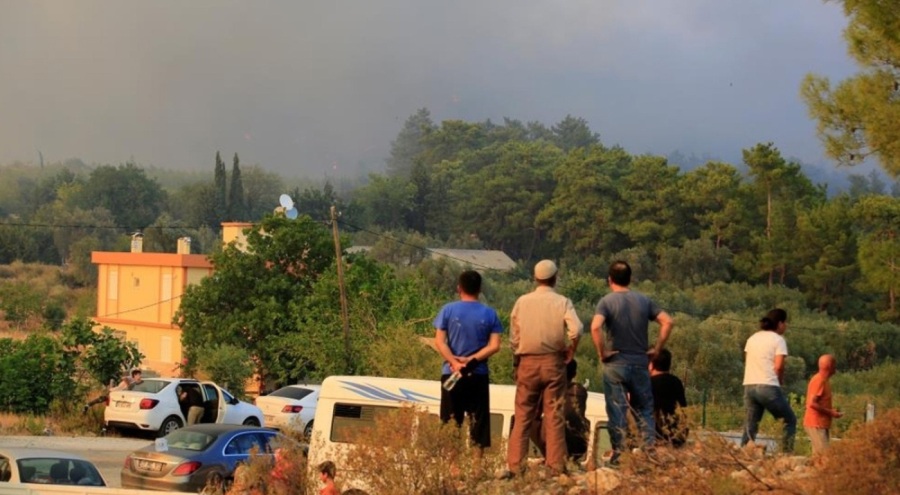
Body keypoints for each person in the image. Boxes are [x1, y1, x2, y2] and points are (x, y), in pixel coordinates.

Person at [591, 260, 673, 465]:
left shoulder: (606, 302)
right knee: (644, 408)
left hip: (615, 364)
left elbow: (595, 327)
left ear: (609, 280)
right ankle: (648, 452)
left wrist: (602, 352)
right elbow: (668, 321)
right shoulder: (644, 300)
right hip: (639, 363)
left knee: (617, 409)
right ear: (630, 279)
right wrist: (657, 348)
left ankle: (619, 454)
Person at [506, 260, 583, 476]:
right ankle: (555, 465)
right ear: (555, 278)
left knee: (523, 415)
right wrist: (571, 350)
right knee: (554, 414)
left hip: (527, 363)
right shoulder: (562, 302)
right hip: (553, 363)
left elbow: (514, 338)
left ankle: (515, 466)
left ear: (535, 277)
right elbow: (576, 330)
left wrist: (518, 357)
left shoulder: (522, 302)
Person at [433, 270, 503, 455]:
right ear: (479, 289)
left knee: (450, 421)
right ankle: (476, 469)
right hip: (477, 374)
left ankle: (452, 470)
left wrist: (454, 362)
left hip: (451, 374)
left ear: (459, 288)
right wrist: (470, 361)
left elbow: (439, 341)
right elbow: (495, 346)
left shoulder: (447, 310)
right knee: (478, 421)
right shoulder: (490, 314)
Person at [741, 308, 797, 453]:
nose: (786, 326)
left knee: (750, 425)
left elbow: (747, 361)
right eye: (785, 323)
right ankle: (786, 454)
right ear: (779, 324)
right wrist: (779, 381)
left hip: (749, 385)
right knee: (789, 420)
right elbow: (778, 366)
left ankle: (742, 453)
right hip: (768, 386)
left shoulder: (752, 338)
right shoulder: (778, 340)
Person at [804, 354, 843, 455]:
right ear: (830, 366)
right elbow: (812, 403)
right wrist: (830, 412)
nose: (836, 368)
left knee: (818, 457)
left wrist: (831, 411)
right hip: (816, 423)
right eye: (834, 365)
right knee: (824, 456)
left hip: (821, 424)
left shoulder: (824, 380)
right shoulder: (819, 380)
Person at [649, 348, 688, 447]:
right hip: (676, 435)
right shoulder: (676, 382)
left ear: (651, 365)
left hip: (654, 437)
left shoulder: (646, 384)